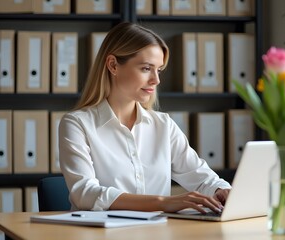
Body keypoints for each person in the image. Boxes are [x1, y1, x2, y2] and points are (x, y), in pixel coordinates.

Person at [59, 22, 231, 214]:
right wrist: (162, 202)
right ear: (113, 65)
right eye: (146, 68)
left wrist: (221, 190)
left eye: (159, 70)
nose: (156, 80)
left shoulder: (163, 125)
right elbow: (85, 194)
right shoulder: (77, 124)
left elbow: (201, 177)